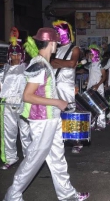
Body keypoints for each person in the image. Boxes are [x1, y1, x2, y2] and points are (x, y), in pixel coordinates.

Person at [3, 27, 89, 201]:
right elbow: (27, 96)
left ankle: (67, 195)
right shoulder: (39, 64)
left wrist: (61, 97)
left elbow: (44, 91)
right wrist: (57, 102)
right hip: (42, 121)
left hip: (51, 118)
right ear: (51, 43)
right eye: (56, 41)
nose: (57, 44)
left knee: (57, 158)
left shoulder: (44, 62)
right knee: (34, 159)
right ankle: (12, 195)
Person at [0, 36, 31, 170]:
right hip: (7, 104)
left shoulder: (27, 68)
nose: (15, 56)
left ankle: (29, 159)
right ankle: (10, 158)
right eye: (13, 54)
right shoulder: (4, 69)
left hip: (23, 103)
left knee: (25, 133)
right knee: (8, 133)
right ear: (9, 55)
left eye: (18, 53)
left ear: (22, 55)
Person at [51, 20, 82, 154]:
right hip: (54, 84)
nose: (56, 36)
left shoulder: (74, 48)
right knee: (55, 113)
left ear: (64, 33)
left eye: (58, 33)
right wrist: (57, 63)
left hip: (67, 85)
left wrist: (55, 62)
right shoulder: (55, 49)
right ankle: (59, 139)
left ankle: (76, 141)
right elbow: (50, 64)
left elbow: (72, 63)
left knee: (70, 112)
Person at [86, 44, 107, 130]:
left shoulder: (100, 64)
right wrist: (87, 81)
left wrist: (98, 85)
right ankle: (92, 123)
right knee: (91, 105)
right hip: (90, 86)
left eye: (91, 54)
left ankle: (101, 124)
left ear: (95, 54)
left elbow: (104, 76)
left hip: (98, 87)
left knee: (100, 106)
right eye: (89, 54)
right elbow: (91, 75)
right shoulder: (90, 64)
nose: (89, 55)